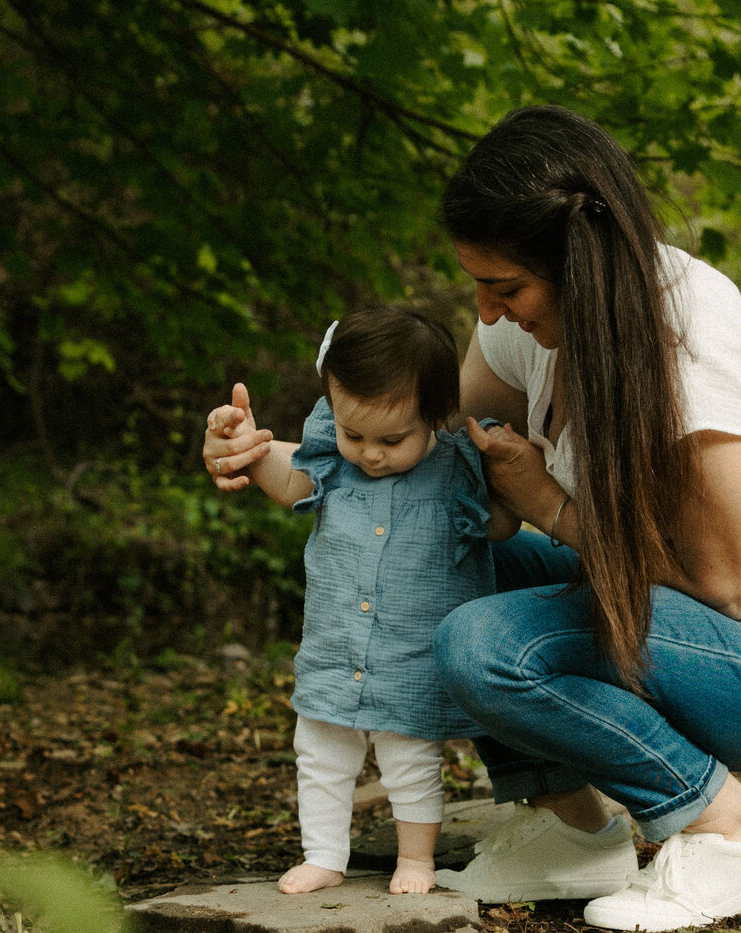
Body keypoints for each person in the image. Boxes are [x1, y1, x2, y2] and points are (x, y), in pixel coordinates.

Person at [428, 103, 741, 932]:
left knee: (482, 647)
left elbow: (727, 587)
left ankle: (728, 830)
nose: (486, 314)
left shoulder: (696, 350)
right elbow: (437, 446)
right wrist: (290, 457)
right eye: (479, 287)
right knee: (434, 561)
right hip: (668, 615)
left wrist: (552, 509)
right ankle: (569, 828)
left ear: (580, 263)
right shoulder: (535, 330)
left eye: (507, 288)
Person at [202, 305, 517, 896]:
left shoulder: (458, 466)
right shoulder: (331, 458)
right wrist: (246, 444)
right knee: (319, 753)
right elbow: (289, 477)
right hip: (334, 647)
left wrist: (516, 471)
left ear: (437, 415)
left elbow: (499, 526)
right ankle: (324, 855)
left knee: (410, 761)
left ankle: (416, 861)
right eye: (354, 435)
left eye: (392, 440)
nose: (371, 453)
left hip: (411, 657)